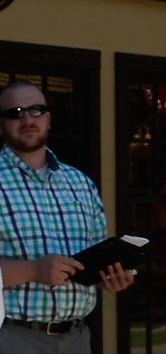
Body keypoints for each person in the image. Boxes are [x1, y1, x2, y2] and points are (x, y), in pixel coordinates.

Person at [0, 80, 135, 353]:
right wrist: (34, 270)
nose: (27, 118)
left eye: (35, 110)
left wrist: (111, 276)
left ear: (48, 119)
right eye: (15, 112)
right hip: (13, 336)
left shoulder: (80, 183)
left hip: (77, 337)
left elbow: (94, 260)